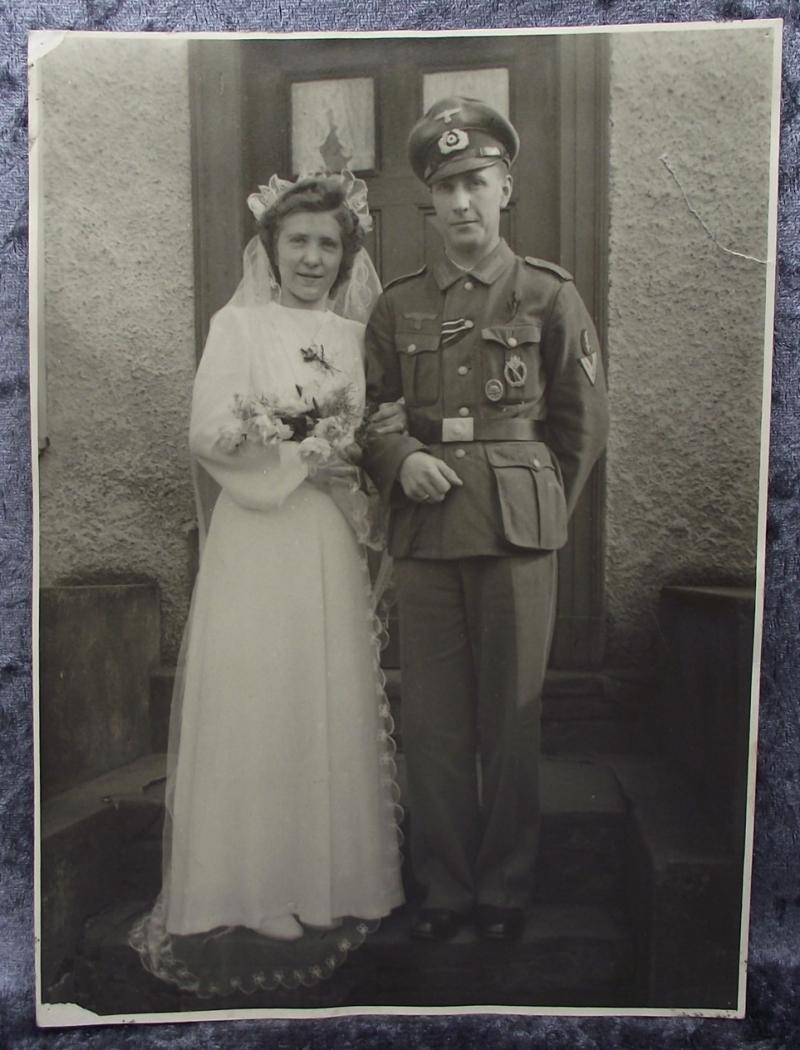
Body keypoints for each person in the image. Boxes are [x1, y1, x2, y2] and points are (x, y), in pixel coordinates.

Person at [130, 172, 405, 995]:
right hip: (258, 535)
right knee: (258, 696)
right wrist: (298, 450)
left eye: (328, 244)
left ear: (345, 254)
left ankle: (326, 881)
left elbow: (366, 439)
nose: (313, 258)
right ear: (272, 249)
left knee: (317, 693)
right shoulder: (237, 324)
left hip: (322, 536)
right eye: (299, 242)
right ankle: (251, 887)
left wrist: (347, 459)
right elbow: (209, 431)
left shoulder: (356, 338)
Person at [363, 97, 610, 943]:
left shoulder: (547, 292)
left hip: (516, 534)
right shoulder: (397, 306)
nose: (461, 201)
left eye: (476, 181)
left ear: (506, 187)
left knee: (511, 719)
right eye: (445, 186)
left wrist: (538, 504)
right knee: (432, 723)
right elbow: (370, 409)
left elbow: (580, 426)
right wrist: (400, 461)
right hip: (427, 536)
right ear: (428, 201)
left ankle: (504, 891)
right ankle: (445, 888)